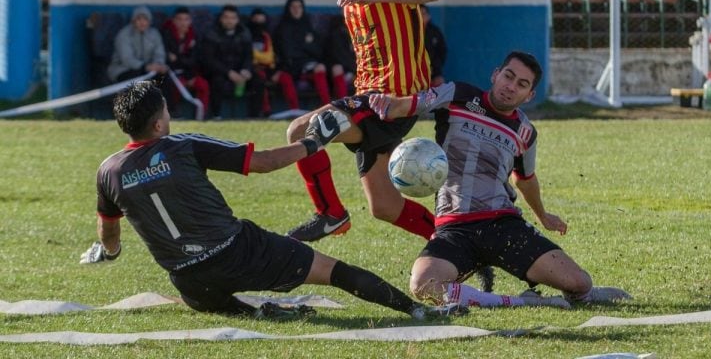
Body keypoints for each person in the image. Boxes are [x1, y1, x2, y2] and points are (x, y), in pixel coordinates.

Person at [79, 81, 464, 320]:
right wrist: (312, 143)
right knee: (337, 272)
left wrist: (109, 253)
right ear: (159, 123)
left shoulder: (108, 171)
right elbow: (262, 163)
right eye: (166, 110)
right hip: (239, 252)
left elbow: (108, 231)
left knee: (213, 299)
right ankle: (419, 310)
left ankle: (261, 310)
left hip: (189, 281)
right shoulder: (182, 145)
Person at [367, 52, 632, 309]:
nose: (510, 87)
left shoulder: (525, 132)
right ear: (496, 75)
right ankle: (521, 302)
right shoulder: (458, 94)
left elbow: (525, 179)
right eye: (508, 76)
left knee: (579, 284)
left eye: (521, 85)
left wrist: (542, 215)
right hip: (454, 227)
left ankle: (584, 292)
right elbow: (409, 104)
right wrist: (385, 103)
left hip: (503, 225)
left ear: (529, 96)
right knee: (424, 285)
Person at [284, 0, 439, 246]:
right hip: (368, 98)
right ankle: (451, 240)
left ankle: (331, 215)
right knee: (383, 205)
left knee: (300, 129)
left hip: (393, 101)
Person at [271, 0, 332, 111]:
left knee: (320, 68)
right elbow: (284, 51)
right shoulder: (282, 29)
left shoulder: (308, 26)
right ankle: (295, 110)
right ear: (288, 9)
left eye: (299, 7)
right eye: (293, 7)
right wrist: (305, 44)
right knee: (284, 76)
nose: (296, 10)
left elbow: (317, 51)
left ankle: (327, 107)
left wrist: (303, 46)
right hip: (288, 65)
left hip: (306, 65)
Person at [201, 4, 260, 120]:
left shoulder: (244, 33)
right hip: (220, 71)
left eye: (233, 18)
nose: (229, 21)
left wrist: (246, 69)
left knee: (258, 81)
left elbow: (249, 55)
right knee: (217, 81)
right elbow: (209, 60)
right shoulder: (212, 33)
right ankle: (216, 116)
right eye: (226, 17)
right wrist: (229, 73)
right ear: (221, 19)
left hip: (240, 71)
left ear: (237, 19)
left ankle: (255, 116)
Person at [161, 6, 210, 117]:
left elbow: (196, 60)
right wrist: (182, 61)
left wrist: (178, 60)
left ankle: (201, 116)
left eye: (186, 19)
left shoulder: (194, 36)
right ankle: (173, 115)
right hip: (172, 74)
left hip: (190, 73)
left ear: (190, 21)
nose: (183, 23)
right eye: (179, 19)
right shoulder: (166, 35)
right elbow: (168, 61)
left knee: (203, 85)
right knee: (174, 86)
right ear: (174, 21)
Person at [107, 5, 169, 83]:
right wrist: (145, 67)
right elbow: (127, 59)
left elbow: (159, 53)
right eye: (139, 19)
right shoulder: (124, 34)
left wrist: (158, 65)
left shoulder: (154, 34)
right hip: (123, 69)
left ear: (149, 21)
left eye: (145, 19)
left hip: (148, 69)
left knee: (165, 78)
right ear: (133, 21)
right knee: (138, 84)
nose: (142, 22)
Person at [246, 8, 276, 117]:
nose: (259, 24)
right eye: (256, 21)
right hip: (248, 68)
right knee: (258, 77)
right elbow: (246, 53)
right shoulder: (246, 34)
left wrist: (255, 55)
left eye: (261, 21)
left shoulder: (266, 36)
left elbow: (269, 58)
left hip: (266, 69)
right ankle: (259, 112)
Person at [324, 14, 355, 100]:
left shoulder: (361, 31)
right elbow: (339, 56)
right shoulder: (337, 33)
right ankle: (343, 103)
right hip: (344, 68)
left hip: (355, 68)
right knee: (337, 68)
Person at [420, 5, 448, 86]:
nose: (422, 16)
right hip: (416, 72)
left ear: (428, 16)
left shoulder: (435, 31)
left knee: (440, 84)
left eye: (424, 14)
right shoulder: (411, 32)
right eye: (419, 14)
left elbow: (442, 51)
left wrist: (436, 68)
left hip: (434, 71)